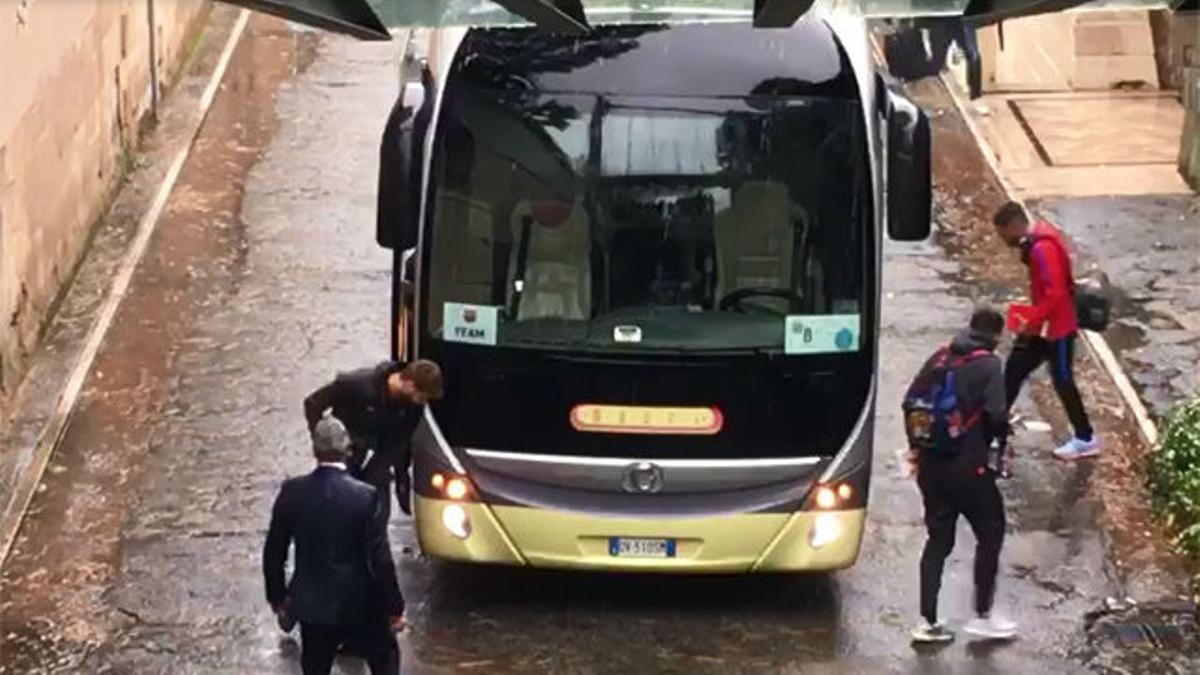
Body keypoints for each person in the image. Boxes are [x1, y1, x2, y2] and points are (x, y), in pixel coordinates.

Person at [903, 307, 1016, 643]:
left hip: (931, 465)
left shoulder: (940, 356)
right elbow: (996, 414)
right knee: (991, 530)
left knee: (938, 540)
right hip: (968, 465)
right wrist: (1001, 437)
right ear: (997, 335)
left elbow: (910, 402)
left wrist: (916, 448)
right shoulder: (989, 364)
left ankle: (928, 622)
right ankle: (982, 615)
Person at [263, 415, 405, 674]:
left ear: (315, 451)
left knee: (315, 666)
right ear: (347, 451)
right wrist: (394, 606)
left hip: (314, 605)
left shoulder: (292, 492)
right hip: (362, 605)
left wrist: (277, 596)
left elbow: (275, 549)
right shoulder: (366, 497)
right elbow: (380, 559)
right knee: (385, 660)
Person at [992, 201, 1100, 461]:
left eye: (1003, 233)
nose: (1003, 239)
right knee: (1014, 371)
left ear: (1014, 225)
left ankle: (1085, 438)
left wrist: (1032, 319)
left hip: (1057, 328)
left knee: (1063, 380)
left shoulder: (1042, 249)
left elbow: (1055, 293)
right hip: (1043, 327)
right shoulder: (1037, 244)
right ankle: (995, 431)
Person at [303, 359, 444, 519]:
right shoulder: (356, 384)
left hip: (379, 459)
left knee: (376, 513)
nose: (423, 402)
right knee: (337, 509)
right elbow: (313, 403)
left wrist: (389, 475)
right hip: (345, 452)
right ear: (409, 385)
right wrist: (324, 441)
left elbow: (401, 440)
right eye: (422, 396)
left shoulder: (413, 405)